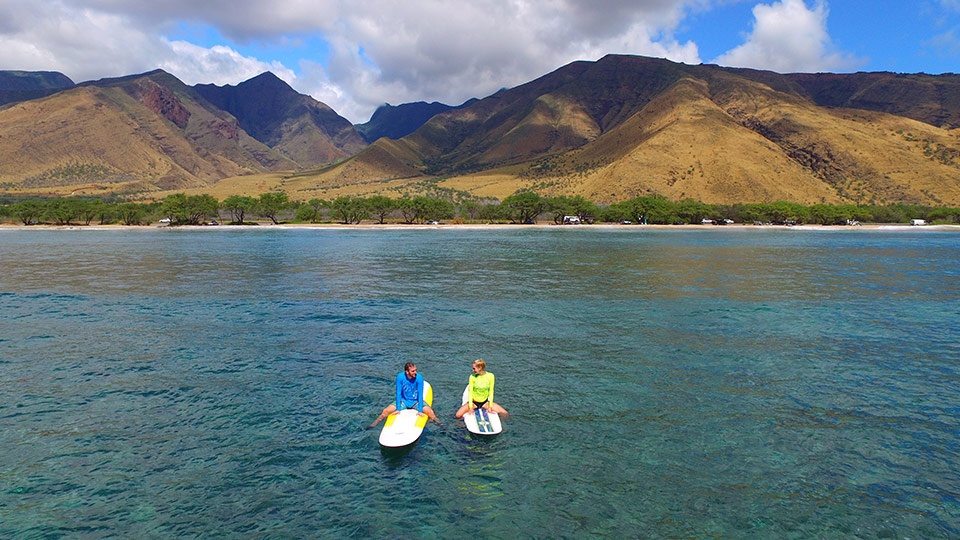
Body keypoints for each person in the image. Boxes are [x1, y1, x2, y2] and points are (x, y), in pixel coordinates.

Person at [370, 362, 440, 427]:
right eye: (413, 371)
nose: (415, 372)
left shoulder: (419, 378)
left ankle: (440, 426)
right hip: (403, 401)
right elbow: (398, 393)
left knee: (431, 413)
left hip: (416, 402)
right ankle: (373, 425)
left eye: (415, 370)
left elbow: (420, 394)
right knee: (385, 411)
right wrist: (398, 409)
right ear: (407, 372)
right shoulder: (400, 377)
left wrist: (420, 411)